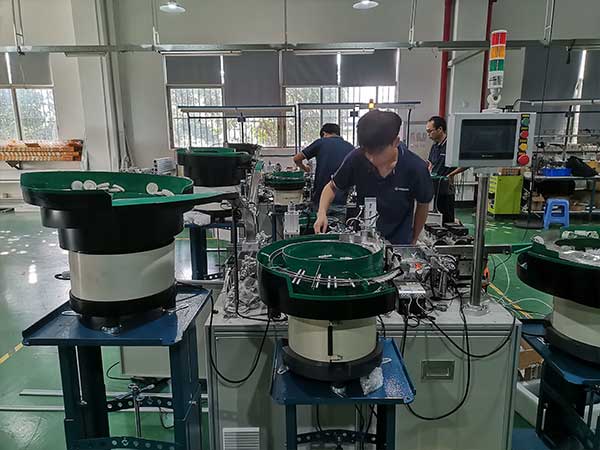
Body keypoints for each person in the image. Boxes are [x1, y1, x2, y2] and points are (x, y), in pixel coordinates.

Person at [314, 110, 433, 245]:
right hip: (364, 240)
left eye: (378, 152)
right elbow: (331, 187)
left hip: (398, 242)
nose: (371, 158)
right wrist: (321, 213)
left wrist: (414, 239)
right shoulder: (357, 158)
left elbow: (423, 204)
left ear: (396, 142)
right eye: (368, 152)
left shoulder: (416, 168)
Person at [293, 123, 354, 210]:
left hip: (320, 200)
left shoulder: (320, 142)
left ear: (324, 133)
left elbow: (296, 159)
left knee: (320, 218)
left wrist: (306, 169)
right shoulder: (350, 147)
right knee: (338, 219)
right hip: (341, 201)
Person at [426, 116, 466, 224]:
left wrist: (451, 175)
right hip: (435, 186)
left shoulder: (452, 146)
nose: (428, 134)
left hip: (447, 187)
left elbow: (466, 164)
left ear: (440, 129)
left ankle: (453, 226)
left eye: (430, 131)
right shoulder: (434, 147)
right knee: (436, 215)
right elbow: (431, 163)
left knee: (447, 217)